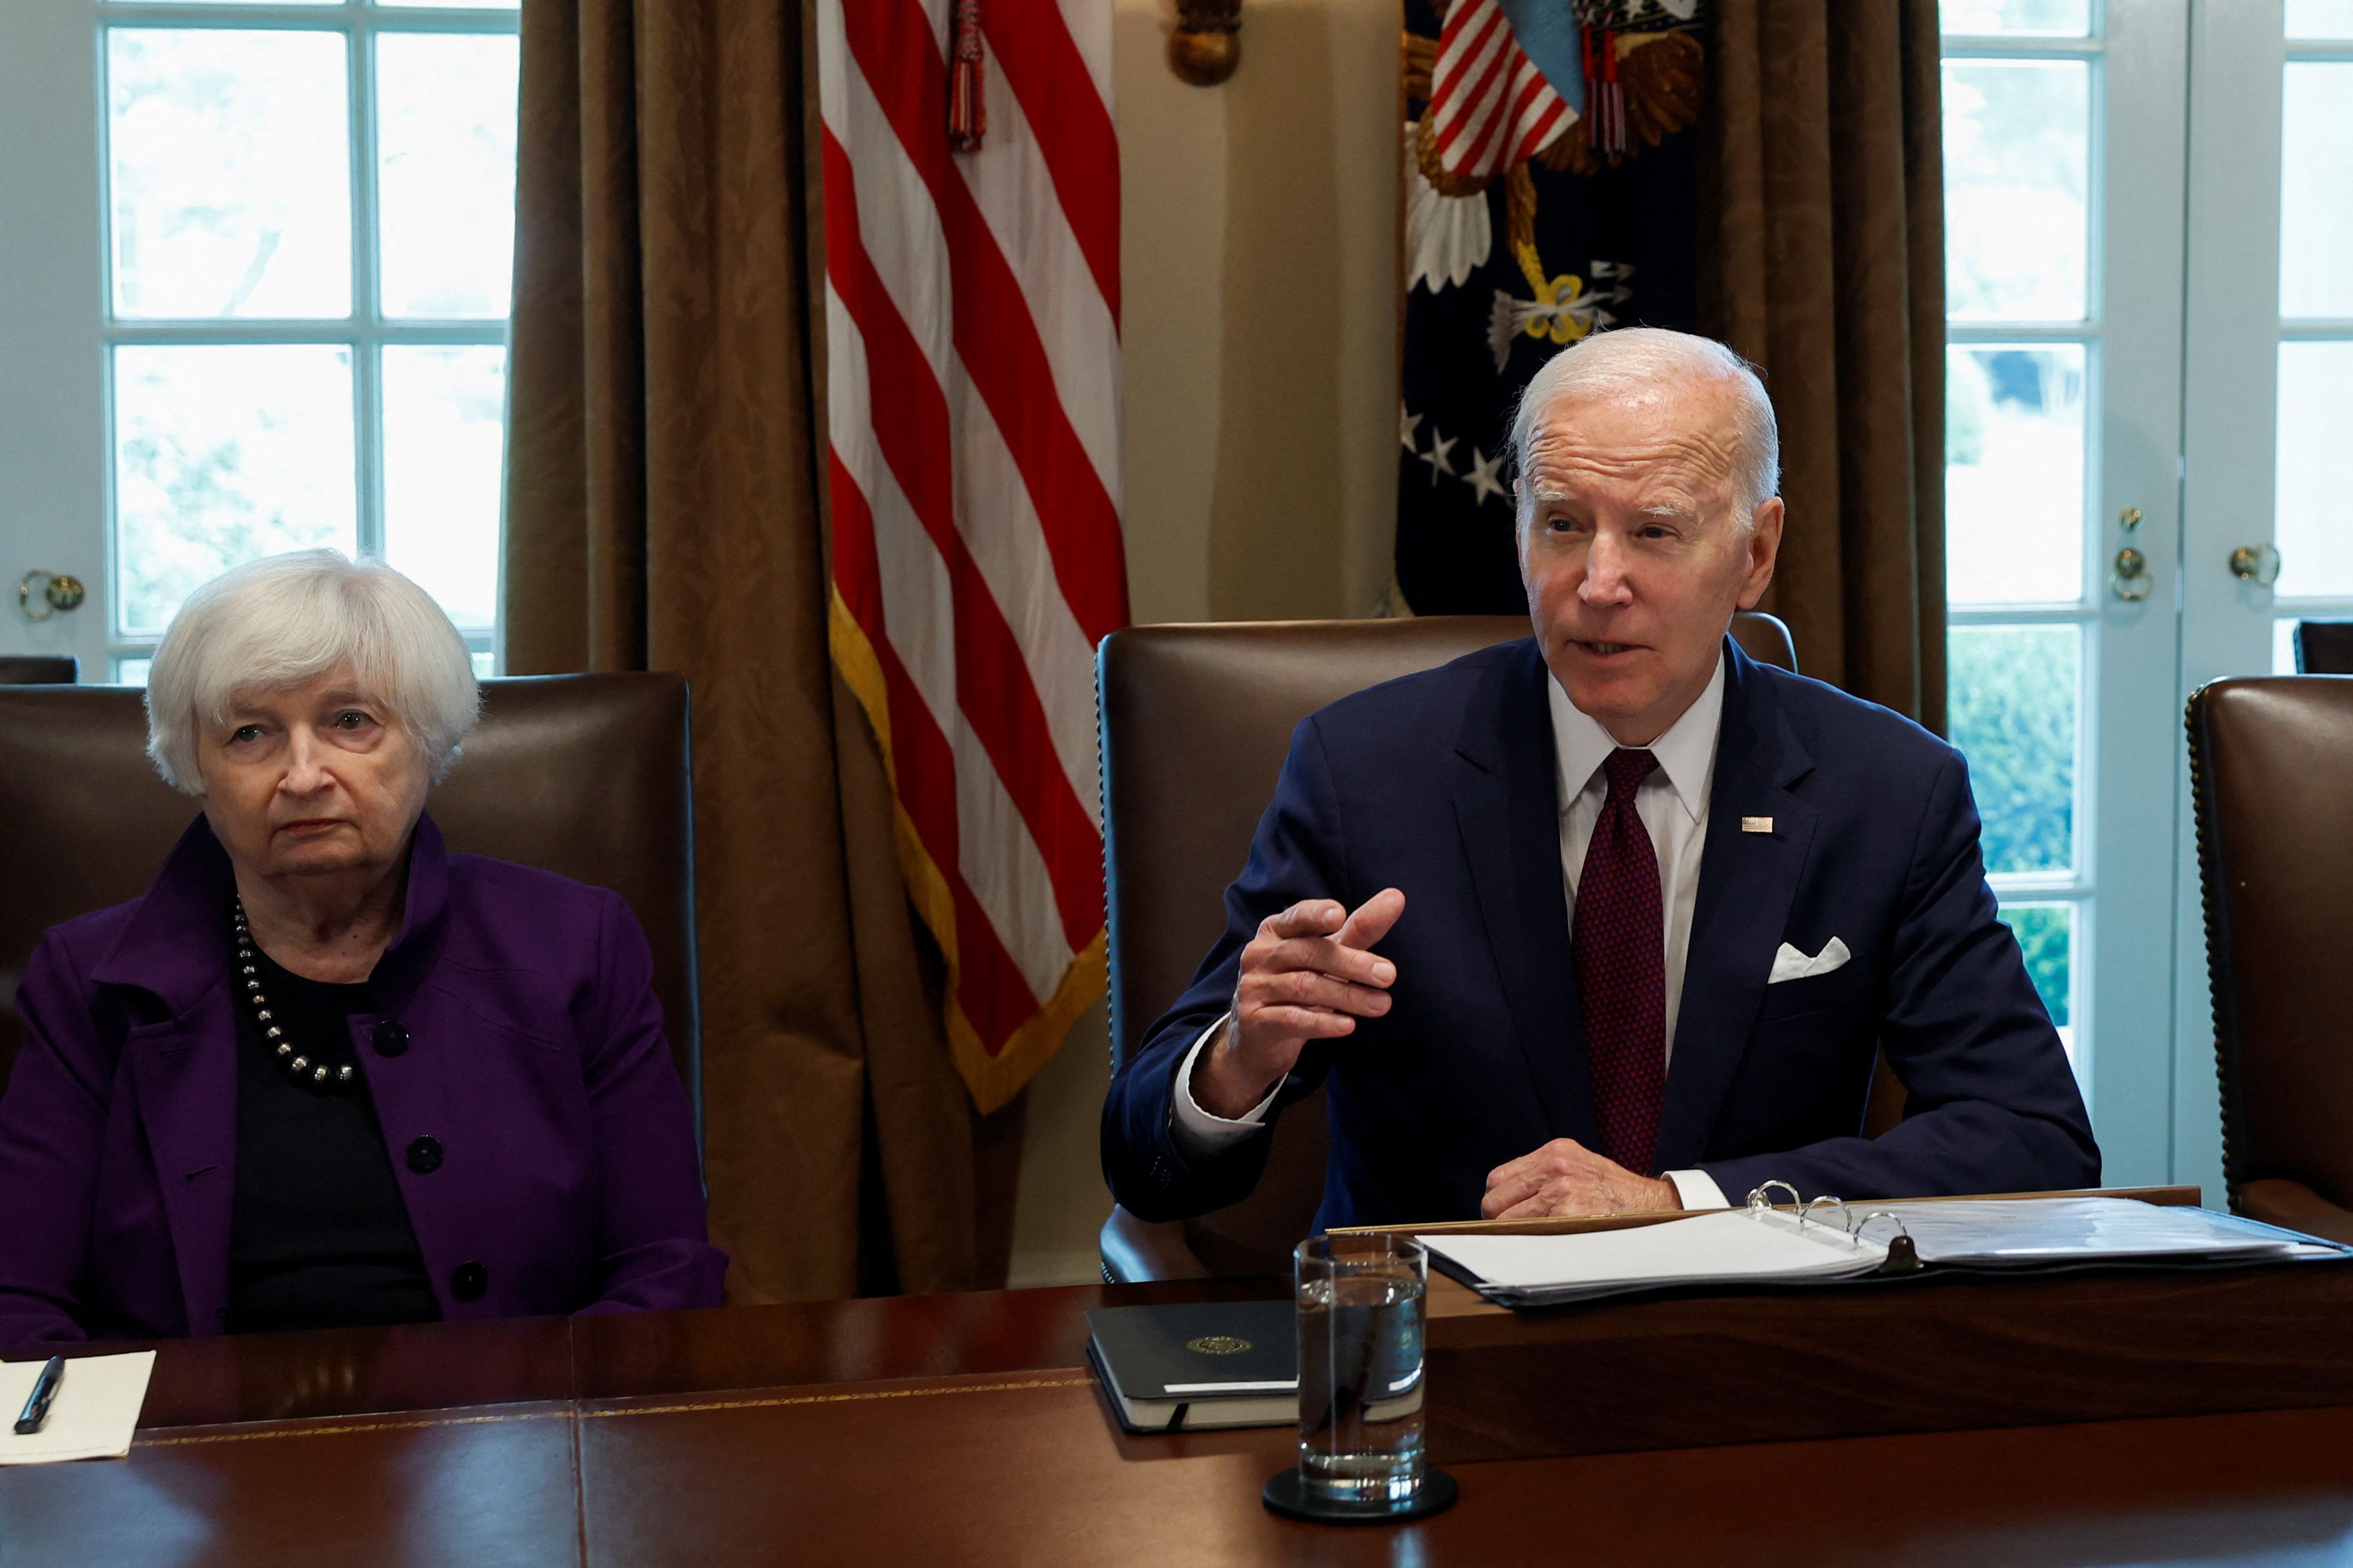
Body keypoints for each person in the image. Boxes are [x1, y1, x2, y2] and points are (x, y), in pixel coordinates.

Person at [1102, 328, 2099, 1231]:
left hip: (1748, 1351)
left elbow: (2031, 1136)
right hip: (1444, 1353)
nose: (1596, 582)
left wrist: (1680, 1204)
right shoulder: (1365, 771)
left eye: (1654, 532)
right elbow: (1148, 1162)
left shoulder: (1884, 789)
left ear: (1755, 553)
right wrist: (1240, 1061)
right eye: (1563, 524)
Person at [0, 550, 725, 1346]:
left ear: (428, 741)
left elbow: (665, 1269)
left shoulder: (575, 947)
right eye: (250, 733)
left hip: (513, 1438)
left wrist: (536, 1433)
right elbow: (18, 1300)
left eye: (351, 721)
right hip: (185, 1452)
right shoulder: (91, 982)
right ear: (192, 766)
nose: (303, 775)